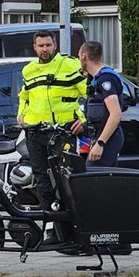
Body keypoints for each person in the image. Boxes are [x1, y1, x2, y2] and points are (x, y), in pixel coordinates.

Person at [16, 29, 87, 213]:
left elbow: (90, 94)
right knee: (42, 179)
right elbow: (24, 96)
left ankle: (70, 223)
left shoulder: (70, 65)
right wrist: (21, 113)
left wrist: (83, 120)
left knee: (64, 179)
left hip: (61, 133)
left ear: (55, 45)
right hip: (34, 133)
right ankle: (51, 224)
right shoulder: (29, 70)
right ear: (34, 47)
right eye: (41, 46)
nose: (45, 49)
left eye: (48, 45)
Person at [73, 40, 124, 169]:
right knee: (109, 182)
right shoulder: (95, 79)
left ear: (84, 56)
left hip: (108, 138)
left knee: (92, 179)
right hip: (102, 136)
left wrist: (100, 143)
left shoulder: (105, 80)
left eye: (79, 56)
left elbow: (115, 114)